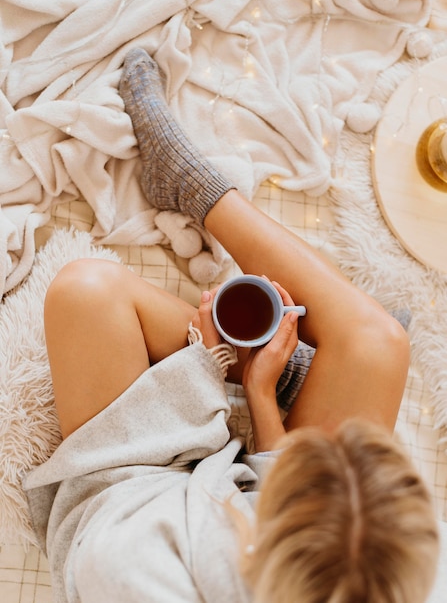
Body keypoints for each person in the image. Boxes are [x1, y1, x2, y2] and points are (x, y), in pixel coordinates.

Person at [23, 48, 439, 603]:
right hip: (240, 500)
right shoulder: (375, 581)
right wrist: (261, 398)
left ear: (261, 537)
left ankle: (198, 193)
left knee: (85, 291)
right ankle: (199, 193)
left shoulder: (123, 566)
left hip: (130, 484)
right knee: (378, 343)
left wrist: (206, 367)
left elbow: (118, 481)